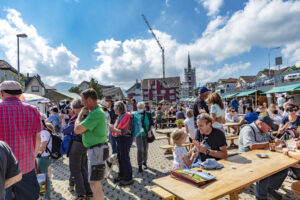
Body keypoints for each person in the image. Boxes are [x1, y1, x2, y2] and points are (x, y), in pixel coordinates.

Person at [0, 81, 42, 200]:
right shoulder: (33, 110)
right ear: (19, 94)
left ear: (2, 93)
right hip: (26, 167)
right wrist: (32, 158)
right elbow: (38, 138)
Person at [238, 115, 287, 200]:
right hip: (248, 159)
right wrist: (270, 143)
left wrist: (276, 140)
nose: (269, 130)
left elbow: (271, 139)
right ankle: (261, 197)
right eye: (268, 127)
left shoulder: (264, 130)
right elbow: (252, 146)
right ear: (261, 123)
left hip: (262, 157)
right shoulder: (248, 129)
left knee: (283, 168)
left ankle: (269, 188)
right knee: (265, 172)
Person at [75, 88, 108, 200]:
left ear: (89, 100)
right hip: (96, 150)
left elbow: (77, 129)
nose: (82, 103)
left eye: (83, 100)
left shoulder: (96, 113)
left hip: (96, 150)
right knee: (94, 183)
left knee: (95, 183)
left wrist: (79, 115)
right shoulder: (96, 112)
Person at [62, 99, 92, 200]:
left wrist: (65, 122)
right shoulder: (88, 116)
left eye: (74, 109)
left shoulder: (77, 118)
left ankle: (81, 195)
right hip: (84, 144)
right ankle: (88, 191)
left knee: (75, 170)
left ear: (77, 108)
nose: (73, 110)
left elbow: (65, 130)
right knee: (83, 168)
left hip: (77, 145)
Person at [108, 101, 134, 186]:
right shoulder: (120, 116)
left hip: (125, 139)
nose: (113, 109)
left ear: (119, 108)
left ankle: (129, 178)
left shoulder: (126, 116)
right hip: (120, 139)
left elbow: (124, 131)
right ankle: (122, 175)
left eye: (115, 107)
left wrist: (113, 129)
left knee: (125, 158)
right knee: (120, 158)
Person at [36, 121, 55, 200]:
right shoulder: (44, 131)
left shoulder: (43, 132)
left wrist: (33, 151)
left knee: (43, 176)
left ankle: (45, 195)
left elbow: (43, 146)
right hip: (44, 157)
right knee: (42, 176)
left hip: (43, 157)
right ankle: (44, 194)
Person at [135, 102, 154, 173]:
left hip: (146, 134)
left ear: (144, 108)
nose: (140, 109)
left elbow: (152, 124)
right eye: (138, 108)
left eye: (141, 108)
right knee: (140, 149)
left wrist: (149, 131)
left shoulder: (148, 114)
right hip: (138, 135)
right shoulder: (135, 115)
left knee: (145, 149)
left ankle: (145, 163)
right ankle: (139, 165)